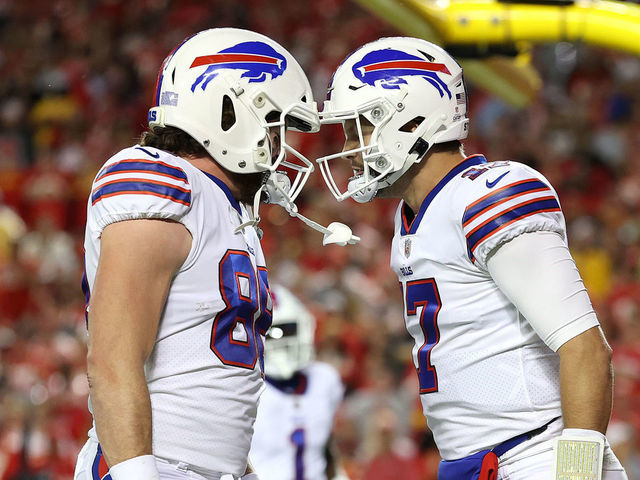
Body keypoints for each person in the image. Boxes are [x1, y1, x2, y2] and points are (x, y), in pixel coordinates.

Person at [316, 36, 628, 480]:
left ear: (411, 119)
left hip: (536, 456)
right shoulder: (413, 218)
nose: (349, 147)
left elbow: (586, 350)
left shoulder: (487, 197)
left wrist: (575, 473)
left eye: (360, 126)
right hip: (478, 462)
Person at [73, 28, 321, 480]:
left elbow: (207, 373)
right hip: (153, 466)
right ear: (229, 113)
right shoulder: (163, 180)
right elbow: (112, 362)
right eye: (275, 123)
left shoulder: (222, 205)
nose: (283, 143)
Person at [248, 285, 348, 480]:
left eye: (286, 330)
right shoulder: (244, 386)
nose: (279, 340)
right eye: (270, 333)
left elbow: (327, 447)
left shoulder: (325, 379)